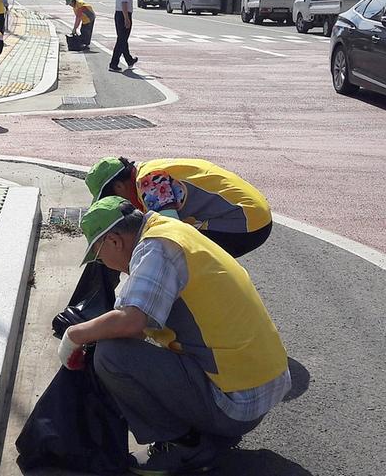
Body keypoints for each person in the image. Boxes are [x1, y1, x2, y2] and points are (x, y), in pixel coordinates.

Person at [58, 196, 291, 474]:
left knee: (112, 356)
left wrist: (75, 334)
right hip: (261, 386)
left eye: (98, 255)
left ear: (114, 242)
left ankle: (184, 445)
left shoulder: (157, 248)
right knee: (137, 343)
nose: (105, 264)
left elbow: (131, 322)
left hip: (237, 405)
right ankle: (206, 427)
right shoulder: (171, 228)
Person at [85, 157, 273, 258]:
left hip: (246, 222)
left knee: (178, 256)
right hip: (255, 214)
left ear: (119, 186)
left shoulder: (149, 182)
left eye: (111, 199)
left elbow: (170, 231)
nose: (116, 206)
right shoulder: (149, 169)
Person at [110, 0, 145, 72]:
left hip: (120, 14)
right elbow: (124, 3)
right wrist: (126, 19)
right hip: (123, 15)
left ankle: (129, 60)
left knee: (123, 39)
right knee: (121, 40)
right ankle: (113, 64)